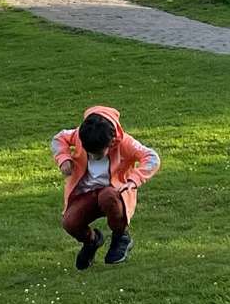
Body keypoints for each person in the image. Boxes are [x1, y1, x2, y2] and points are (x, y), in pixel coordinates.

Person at [51, 104, 160, 269]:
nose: (93, 156)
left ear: (111, 142)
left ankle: (121, 237)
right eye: (89, 152)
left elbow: (152, 157)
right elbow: (59, 138)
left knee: (108, 195)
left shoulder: (124, 142)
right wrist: (63, 158)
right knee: (70, 223)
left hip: (113, 193)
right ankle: (92, 241)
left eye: (97, 153)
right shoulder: (79, 134)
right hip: (85, 194)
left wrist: (133, 180)